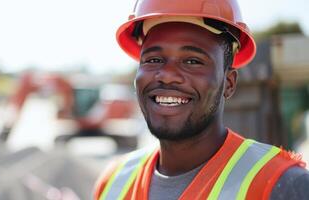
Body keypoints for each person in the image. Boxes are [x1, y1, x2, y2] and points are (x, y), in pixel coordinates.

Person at [94, 0, 309, 199]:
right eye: (154, 59)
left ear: (229, 83)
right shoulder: (113, 182)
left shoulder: (283, 185)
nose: (167, 75)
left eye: (192, 61)